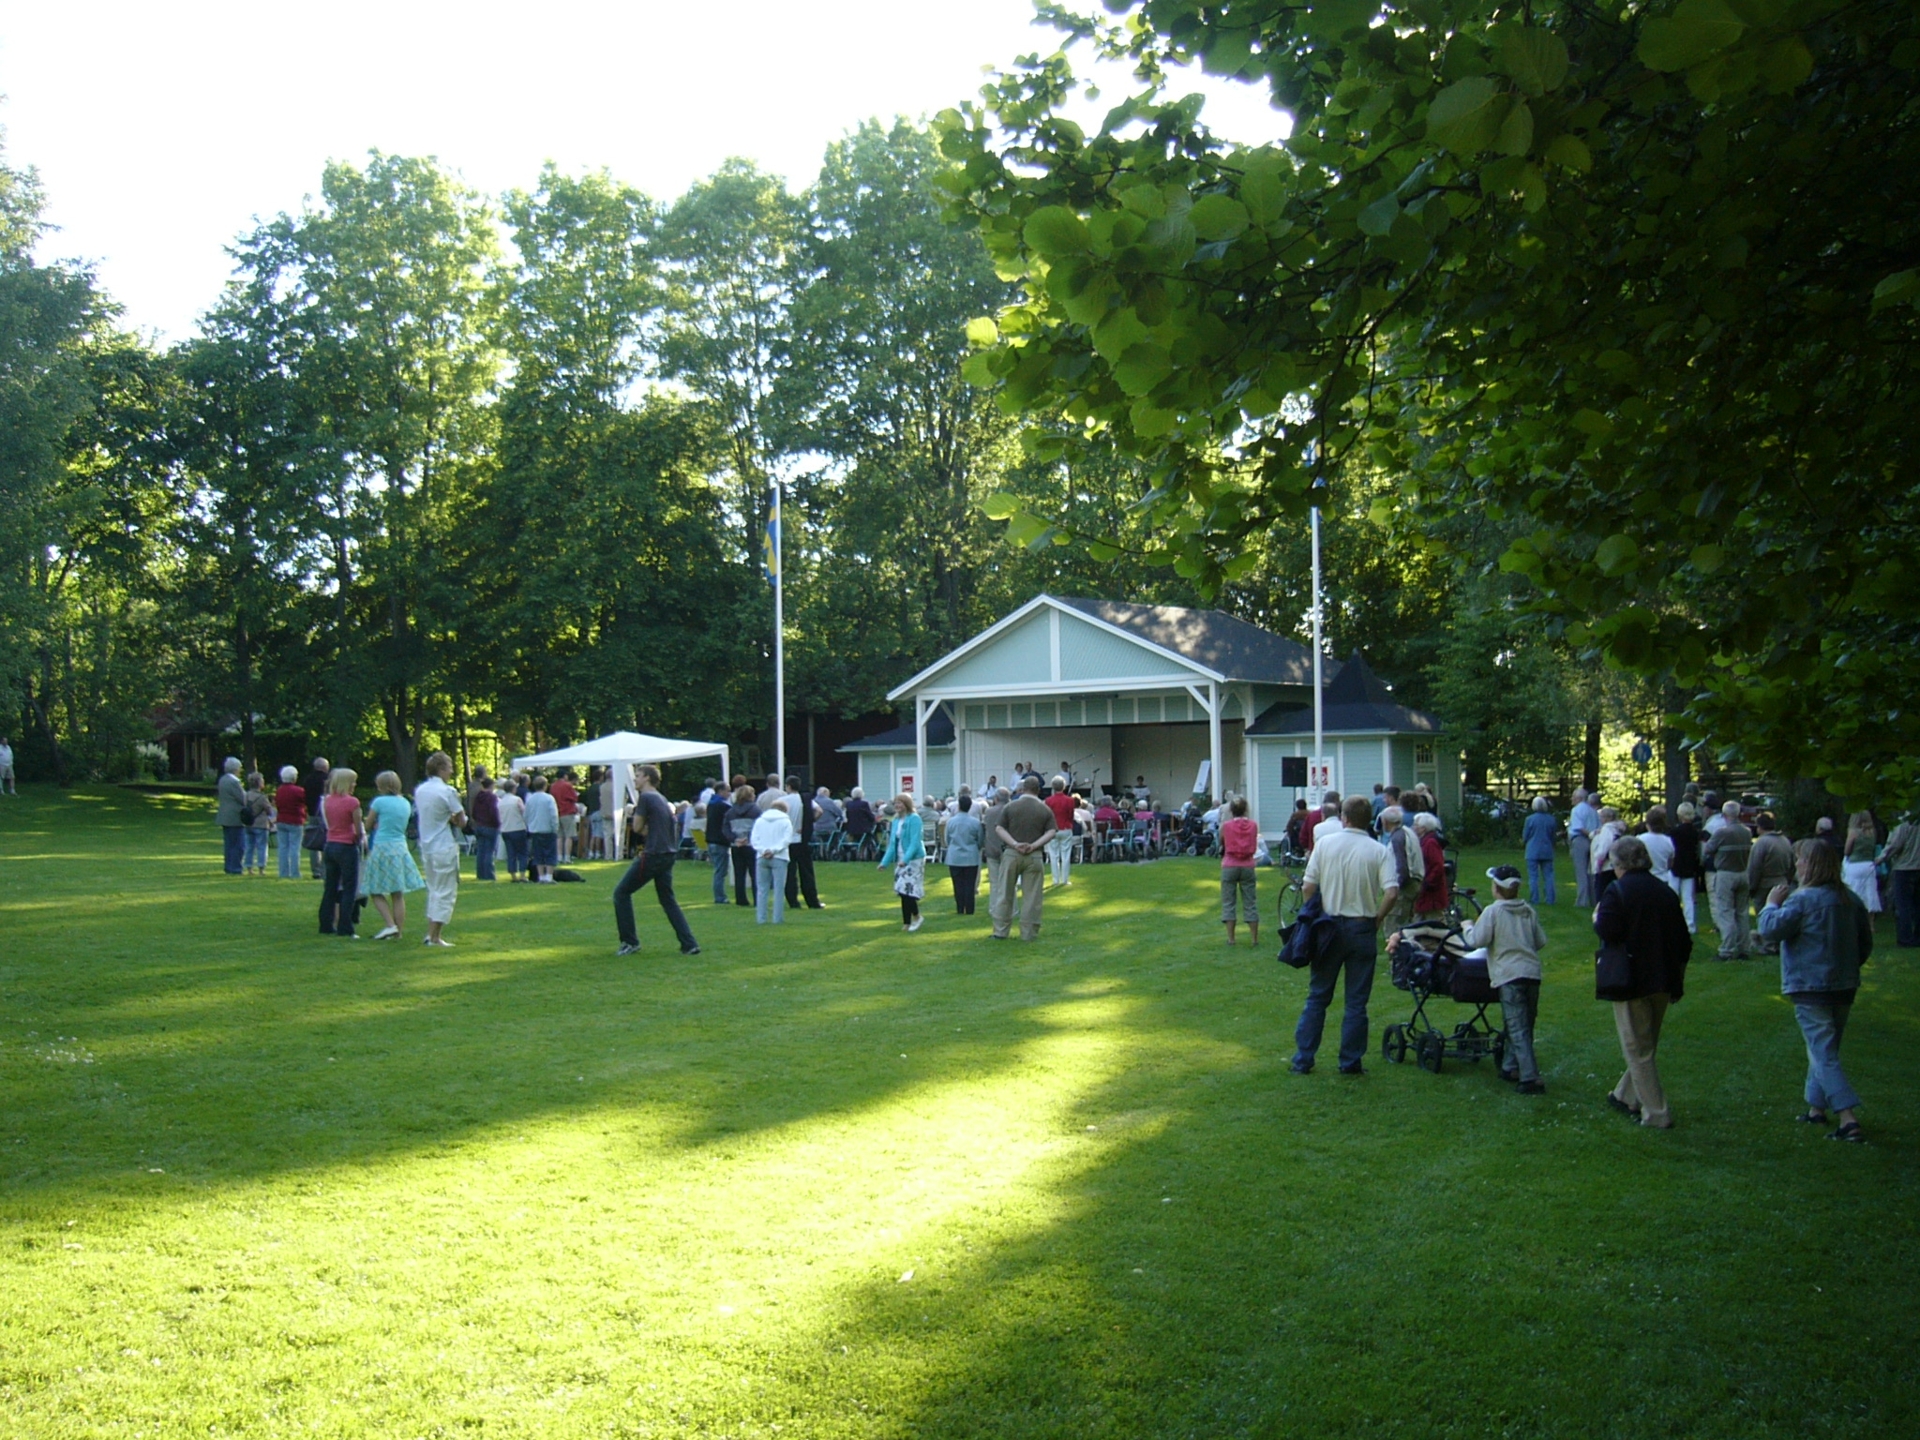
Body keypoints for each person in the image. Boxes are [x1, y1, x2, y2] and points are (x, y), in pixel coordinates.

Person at [1758, 839, 1874, 1142]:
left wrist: (1771, 904)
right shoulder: (1850, 899)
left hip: (1811, 984)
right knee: (1824, 1048)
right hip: (1843, 985)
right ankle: (1816, 1108)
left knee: (1823, 1052)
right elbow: (1865, 943)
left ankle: (1848, 1118)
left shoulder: (1802, 900)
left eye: (1800, 860)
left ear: (1811, 865)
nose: (1797, 865)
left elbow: (1771, 929)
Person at [1291, 796, 1399, 1075]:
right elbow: (1391, 892)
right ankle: (1350, 1061)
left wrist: (1313, 911)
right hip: (1362, 924)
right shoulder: (1378, 850)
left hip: (1329, 925)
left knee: (1318, 995)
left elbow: (1308, 886)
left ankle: (1304, 1058)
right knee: (1356, 1001)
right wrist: (1377, 918)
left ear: (1344, 818)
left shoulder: (1326, 844)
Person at [1593, 836, 1692, 1129]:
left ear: (1619, 863)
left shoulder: (1618, 891)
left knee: (1638, 1049)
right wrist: (1678, 978)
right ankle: (1625, 1095)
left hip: (1631, 978)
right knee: (1645, 1043)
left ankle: (1657, 1113)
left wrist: (1597, 917)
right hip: (1662, 977)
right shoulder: (1665, 892)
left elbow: (1608, 930)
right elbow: (1683, 941)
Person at [1470, 865, 1550, 1093]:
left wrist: (1467, 927)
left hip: (1509, 975)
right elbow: (1540, 940)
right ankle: (1509, 1065)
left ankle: (1529, 1077)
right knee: (1525, 1022)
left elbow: (1477, 939)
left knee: (1516, 1027)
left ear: (1496, 888)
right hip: (1531, 972)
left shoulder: (1493, 912)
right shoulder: (1527, 910)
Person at [613, 765, 701, 956]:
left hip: (653, 854)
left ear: (647, 778)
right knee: (668, 900)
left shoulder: (646, 798)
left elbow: (636, 827)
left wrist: (632, 816)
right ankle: (689, 943)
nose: (635, 780)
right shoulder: (661, 798)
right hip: (668, 854)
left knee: (621, 893)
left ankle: (629, 941)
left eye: (637, 776)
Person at [363, 770, 425, 940]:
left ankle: (390, 925)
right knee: (397, 893)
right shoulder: (405, 802)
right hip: (400, 846)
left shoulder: (379, 802)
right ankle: (398, 932)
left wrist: (371, 823)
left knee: (375, 889)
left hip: (382, 845)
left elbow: (368, 825)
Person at [414, 750, 466, 947]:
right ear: (441, 769)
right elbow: (461, 821)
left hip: (426, 845)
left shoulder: (421, 790)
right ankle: (434, 936)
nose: (451, 771)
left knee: (434, 889)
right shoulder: (448, 791)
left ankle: (432, 933)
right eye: (450, 767)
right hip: (443, 845)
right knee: (445, 891)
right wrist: (455, 819)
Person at [992, 776, 1053, 941]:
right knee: (1032, 896)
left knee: (1005, 893)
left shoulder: (1011, 806)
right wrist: (1033, 845)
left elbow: (999, 828)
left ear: (1022, 789)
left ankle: (1000, 931)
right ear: (1038, 790)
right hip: (1034, 855)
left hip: (1012, 853)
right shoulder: (1044, 809)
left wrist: (1014, 843)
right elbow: (1051, 831)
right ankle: (1029, 933)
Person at [1700, 799, 1754, 959]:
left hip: (1725, 873)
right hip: (1742, 872)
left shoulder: (1722, 832)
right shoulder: (1746, 831)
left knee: (1725, 912)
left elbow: (1708, 849)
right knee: (1742, 913)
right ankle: (1745, 947)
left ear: (1724, 815)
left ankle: (1727, 949)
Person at [317, 767, 364, 939]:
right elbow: (358, 829)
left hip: (330, 844)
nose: (354, 784)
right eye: (352, 781)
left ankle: (326, 923)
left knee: (330, 887)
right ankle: (345, 926)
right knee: (349, 888)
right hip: (346, 846)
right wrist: (358, 839)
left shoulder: (328, 800)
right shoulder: (352, 803)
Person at [1746, 813, 1795, 953]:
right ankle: (1779, 943)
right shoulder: (1785, 840)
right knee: (1780, 914)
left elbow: (1754, 868)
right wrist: (1787, 880)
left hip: (1765, 884)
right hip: (1782, 881)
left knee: (1764, 914)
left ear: (1759, 826)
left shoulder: (1761, 843)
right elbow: (1792, 865)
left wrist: (1752, 887)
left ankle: (1768, 945)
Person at [877, 794, 927, 931]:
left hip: (914, 859)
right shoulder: (895, 821)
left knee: (907, 890)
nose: (897, 806)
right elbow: (892, 844)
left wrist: (906, 860)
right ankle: (907, 922)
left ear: (907, 804)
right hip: (900, 859)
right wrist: (884, 863)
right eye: (896, 803)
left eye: (900, 803)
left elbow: (915, 842)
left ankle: (916, 917)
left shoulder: (914, 819)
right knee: (901, 890)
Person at [1219, 797, 1259, 947]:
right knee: (1250, 902)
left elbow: (1221, 842)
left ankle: (1231, 939)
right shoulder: (1253, 825)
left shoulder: (1226, 826)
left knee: (1229, 902)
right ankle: (1254, 939)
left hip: (1230, 864)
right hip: (1248, 864)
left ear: (1231, 810)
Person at [784, 775, 824, 911]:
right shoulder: (806, 799)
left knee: (790, 873)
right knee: (806, 872)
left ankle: (793, 901)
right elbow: (819, 811)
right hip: (802, 839)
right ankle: (812, 901)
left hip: (788, 840)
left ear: (788, 786)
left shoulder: (782, 800)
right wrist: (808, 822)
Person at [1882, 805, 1920, 947]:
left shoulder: (1904, 822)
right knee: (1917, 904)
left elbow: (1895, 844)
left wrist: (1882, 858)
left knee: (1903, 905)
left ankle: (1905, 938)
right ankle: (1917, 936)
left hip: (1904, 867)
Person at [944, 793, 984, 915]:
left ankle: (960, 908)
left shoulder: (950, 822)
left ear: (959, 806)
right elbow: (980, 840)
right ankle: (970, 909)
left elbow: (947, 840)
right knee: (970, 884)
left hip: (955, 856)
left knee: (957, 884)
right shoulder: (976, 822)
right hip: (971, 856)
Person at [1669, 800, 1703, 932]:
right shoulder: (1695, 832)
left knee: (1673, 896)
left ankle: (1672, 922)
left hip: (1676, 865)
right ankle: (1690, 925)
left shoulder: (1675, 832)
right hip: (1690, 866)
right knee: (1688, 897)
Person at [1840, 811, 1883, 915]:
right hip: (1869, 864)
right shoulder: (1872, 832)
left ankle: (1855, 919)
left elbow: (1847, 851)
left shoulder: (1853, 832)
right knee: (1870, 893)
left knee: (1854, 891)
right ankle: (1871, 924)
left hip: (1854, 865)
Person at [1519, 796, 1558, 905]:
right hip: (1547, 849)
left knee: (1533, 876)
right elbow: (1553, 836)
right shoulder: (1551, 819)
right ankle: (1550, 899)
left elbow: (1525, 836)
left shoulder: (1530, 819)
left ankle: (1534, 898)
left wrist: (1523, 841)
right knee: (1548, 876)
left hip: (1532, 850)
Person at [1410, 812, 1448, 918]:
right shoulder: (1426, 841)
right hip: (1428, 893)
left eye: (1415, 825)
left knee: (1435, 923)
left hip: (1432, 895)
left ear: (1423, 829)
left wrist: (1427, 883)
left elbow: (1438, 866)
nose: (1413, 828)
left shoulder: (1430, 843)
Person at [274, 765, 307, 880]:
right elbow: (304, 802)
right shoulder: (299, 791)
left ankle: (283, 872)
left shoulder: (279, 790)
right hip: (295, 820)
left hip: (281, 819)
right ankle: (295, 873)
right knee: (294, 848)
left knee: (283, 847)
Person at [524, 774, 559, 883]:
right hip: (548, 829)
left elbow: (526, 814)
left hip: (535, 829)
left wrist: (529, 825)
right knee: (550, 853)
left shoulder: (530, 799)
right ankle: (549, 876)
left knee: (538, 854)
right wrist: (555, 827)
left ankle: (541, 876)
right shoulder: (549, 798)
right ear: (545, 786)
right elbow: (553, 815)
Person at [1044, 775, 1077, 888]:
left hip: (1053, 829)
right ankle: (1065, 879)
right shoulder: (1070, 800)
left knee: (1053, 855)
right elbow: (1071, 815)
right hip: (1066, 827)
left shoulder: (1048, 801)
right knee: (1066, 855)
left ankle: (1055, 880)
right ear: (1064, 786)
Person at [216, 756, 247, 875]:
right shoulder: (234, 782)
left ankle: (229, 866)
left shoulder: (223, 779)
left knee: (229, 843)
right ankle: (235, 868)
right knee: (238, 844)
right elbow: (242, 798)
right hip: (234, 816)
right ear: (235, 769)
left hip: (224, 815)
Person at [728, 784, 759, 906]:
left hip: (736, 846)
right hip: (751, 845)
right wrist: (748, 838)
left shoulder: (730, 811)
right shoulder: (755, 810)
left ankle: (740, 899)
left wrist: (735, 839)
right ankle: (757, 899)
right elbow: (758, 826)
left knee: (739, 874)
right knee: (755, 874)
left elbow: (725, 828)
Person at [301, 757, 332, 879]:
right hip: (325, 813)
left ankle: (315, 870)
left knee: (314, 840)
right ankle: (325, 870)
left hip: (312, 812)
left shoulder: (308, 779)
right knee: (326, 840)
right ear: (325, 767)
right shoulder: (327, 780)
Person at [1589, 806, 1628, 900]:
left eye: (1602, 817)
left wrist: (1598, 864)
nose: (1600, 819)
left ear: (1608, 818)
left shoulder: (1607, 829)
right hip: (1615, 865)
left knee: (1601, 895)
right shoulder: (1617, 829)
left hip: (1605, 867)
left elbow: (1604, 848)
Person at [1569, 787, 1599, 906]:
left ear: (1579, 798)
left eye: (1573, 796)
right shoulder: (1592, 811)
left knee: (1581, 871)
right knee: (1591, 872)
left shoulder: (1576, 810)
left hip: (1580, 840)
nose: (1572, 799)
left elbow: (1578, 827)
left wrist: (1589, 834)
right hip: (1592, 842)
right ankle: (1594, 899)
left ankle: (1582, 901)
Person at [705, 785, 733, 904]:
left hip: (711, 840)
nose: (729, 794)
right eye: (728, 791)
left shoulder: (710, 804)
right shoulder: (723, 806)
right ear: (721, 791)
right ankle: (720, 897)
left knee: (718, 870)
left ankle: (720, 895)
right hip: (719, 841)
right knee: (720, 871)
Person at [242, 771, 274, 875]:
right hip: (261, 824)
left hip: (248, 824)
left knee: (249, 846)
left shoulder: (246, 795)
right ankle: (261, 868)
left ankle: (249, 867)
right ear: (259, 783)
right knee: (262, 847)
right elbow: (270, 811)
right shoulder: (262, 797)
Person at [497, 780, 529, 882]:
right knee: (522, 853)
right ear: (514, 788)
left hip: (505, 830)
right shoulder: (517, 800)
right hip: (518, 828)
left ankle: (513, 876)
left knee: (511, 854)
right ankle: (522, 875)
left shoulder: (501, 801)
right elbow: (524, 812)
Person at [470, 777, 501, 881]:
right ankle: (489, 874)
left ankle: (480, 874)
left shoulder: (477, 797)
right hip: (490, 826)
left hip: (479, 825)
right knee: (489, 852)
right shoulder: (492, 797)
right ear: (491, 786)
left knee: (481, 852)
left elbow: (473, 812)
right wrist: (497, 823)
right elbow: (493, 811)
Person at [1640, 805, 1676, 891]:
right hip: (1662, 879)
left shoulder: (1640, 839)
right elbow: (1670, 863)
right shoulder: (1668, 841)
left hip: (1645, 879)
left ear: (1647, 824)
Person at [551, 770, 580, 864]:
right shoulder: (567, 785)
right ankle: (567, 857)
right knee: (569, 835)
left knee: (559, 836)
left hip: (557, 812)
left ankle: (559, 856)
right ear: (564, 776)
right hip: (567, 812)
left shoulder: (553, 786)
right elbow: (574, 797)